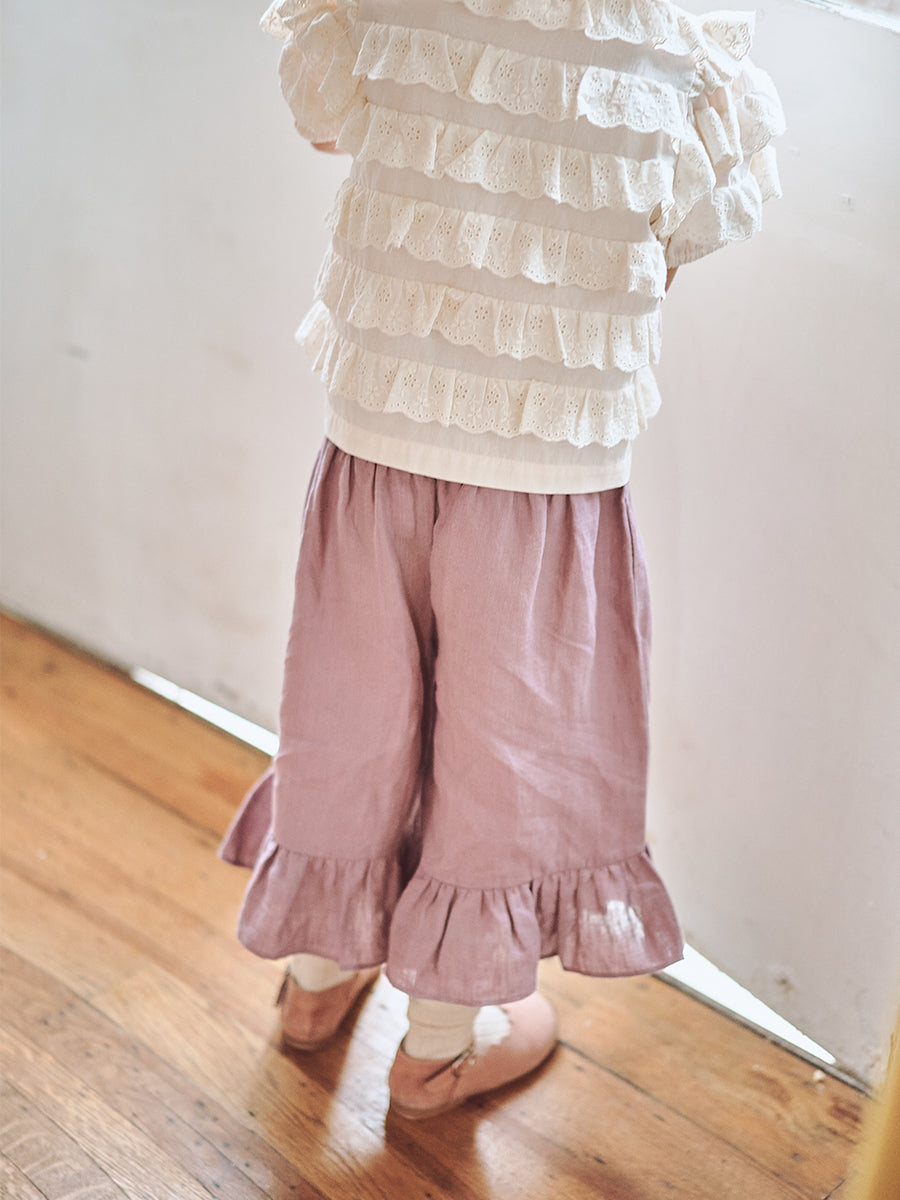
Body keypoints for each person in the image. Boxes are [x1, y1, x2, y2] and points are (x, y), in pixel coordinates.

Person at [220, 0, 784, 1120]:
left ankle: (316, 984)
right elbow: (683, 236)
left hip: (380, 434)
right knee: (512, 745)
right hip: (549, 465)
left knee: (350, 713)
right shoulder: (679, 27)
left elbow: (328, 122)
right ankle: (439, 1044)